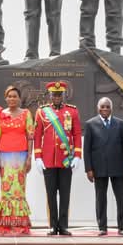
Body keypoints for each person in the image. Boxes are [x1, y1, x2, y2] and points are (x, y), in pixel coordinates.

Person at [34, 81, 82, 236]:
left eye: (59, 95)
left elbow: (77, 134)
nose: (56, 97)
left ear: (63, 95)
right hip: (48, 160)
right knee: (51, 194)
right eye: (54, 95)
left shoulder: (72, 111)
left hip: (66, 159)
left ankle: (63, 225)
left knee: (65, 194)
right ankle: (53, 225)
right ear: (50, 95)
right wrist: (38, 157)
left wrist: (78, 155)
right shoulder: (42, 112)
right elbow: (37, 136)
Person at [83, 97, 123, 236]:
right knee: (100, 198)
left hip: (118, 166)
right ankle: (102, 227)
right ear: (98, 108)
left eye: (108, 106)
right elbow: (87, 149)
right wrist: (88, 169)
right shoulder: (90, 124)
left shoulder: (120, 124)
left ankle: (122, 227)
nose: (105, 109)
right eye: (102, 106)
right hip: (99, 167)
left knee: (120, 197)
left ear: (111, 108)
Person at [0, 85, 34, 236]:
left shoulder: (26, 114)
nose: (12, 99)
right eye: (9, 96)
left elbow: (30, 136)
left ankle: (19, 225)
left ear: (19, 98)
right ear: (5, 98)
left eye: (15, 96)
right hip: (5, 158)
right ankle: (6, 226)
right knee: (6, 191)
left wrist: (29, 157)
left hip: (21, 157)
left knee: (19, 190)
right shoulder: (0, 114)